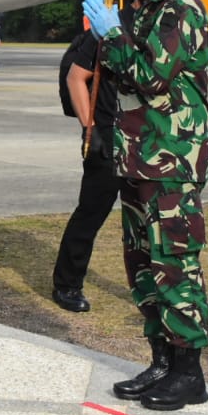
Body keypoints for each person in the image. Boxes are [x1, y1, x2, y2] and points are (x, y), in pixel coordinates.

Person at [81, 0, 208, 411]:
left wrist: (112, 36)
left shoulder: (180, 7)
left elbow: (152, 78)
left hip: (171, 160)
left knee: (174, 263)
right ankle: (161, 359)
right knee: (143, 264)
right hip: (139, 158)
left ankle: (188, 372)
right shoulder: (151, 7)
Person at [50, 26, 122, 313]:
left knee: (158, 220)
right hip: (107, 136)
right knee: (91, 212)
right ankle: (67, 284)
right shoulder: (109, 26)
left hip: (149, 139)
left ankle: (179, 295)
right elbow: (76, 77)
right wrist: (90, 129)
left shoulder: (161, 25)